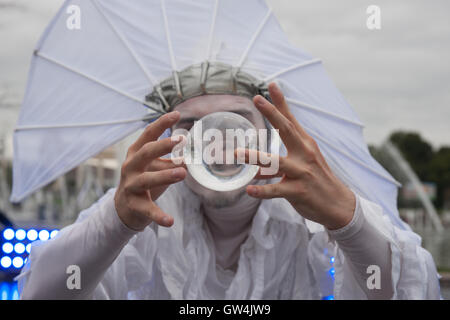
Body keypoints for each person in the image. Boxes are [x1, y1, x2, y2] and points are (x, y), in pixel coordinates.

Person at [17, 83, 441, 300]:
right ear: (166, 137)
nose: (214, 139)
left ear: (270, 136)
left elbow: (413, 291)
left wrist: (350, 223)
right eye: (189, 124)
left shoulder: (306, 206)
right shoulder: (144, 207)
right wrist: (114, 224)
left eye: (235, 119)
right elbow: (41, 294)